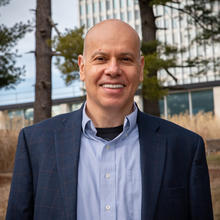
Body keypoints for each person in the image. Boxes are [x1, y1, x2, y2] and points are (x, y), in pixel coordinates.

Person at [6, 19, 213, 220]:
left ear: (140, 68)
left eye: (125, 59)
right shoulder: (35, 144)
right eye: (101, 58)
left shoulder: (185, 147)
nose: (113, 70)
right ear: (82, 67)